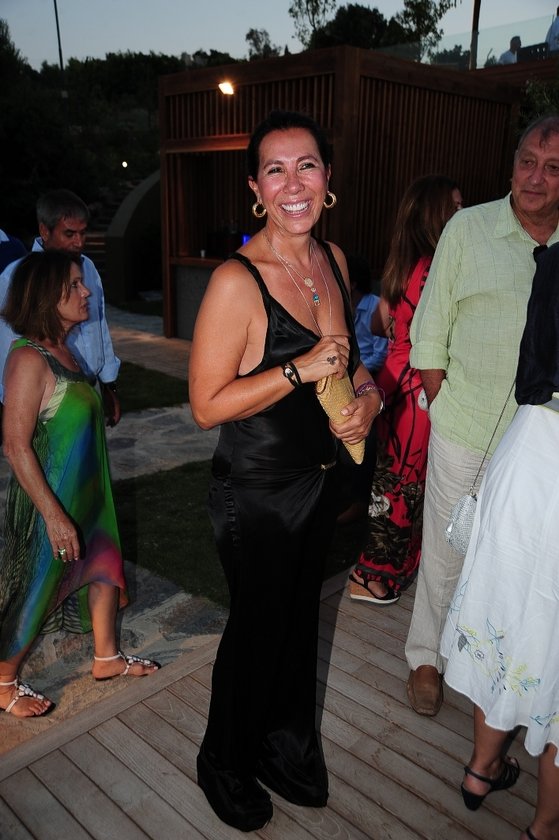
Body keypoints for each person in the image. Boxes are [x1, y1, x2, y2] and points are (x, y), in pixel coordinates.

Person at [188, 109, 382, 832]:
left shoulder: (332, 259)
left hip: (317, 481)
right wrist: (297, 370)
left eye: (306, 166)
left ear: (328, 178)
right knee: (257, 634)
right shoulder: (236, 282)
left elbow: (350, 365)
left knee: (298, 624)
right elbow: (205, 405)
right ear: (255, 188)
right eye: (276, 169)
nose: (293, 183)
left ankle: (283, 746)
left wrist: (367, 400)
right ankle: (224, 760)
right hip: (257, 493)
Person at [405, 114, 559, 719]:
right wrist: (443, 404)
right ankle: (426, 658)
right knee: (447, 552)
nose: (535, 178)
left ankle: (495, 668)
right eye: (527, 162)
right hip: (466, 426)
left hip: (542, 440)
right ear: (512, 164)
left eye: (553, 169)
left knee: (519, 561)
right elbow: (429, 330)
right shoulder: (468, 229)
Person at [0, 251, 158, 718]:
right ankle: (3, 682)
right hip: (52, 500)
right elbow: (15, 446)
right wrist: (53, 516)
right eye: (74, 284)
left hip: (89, 494)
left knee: (105, 568)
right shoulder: (29, 359)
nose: (86, 291)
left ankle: (106, 658)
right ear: (47, 296)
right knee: (35, 588)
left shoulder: (66, 350)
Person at [440, 241, 559, 840]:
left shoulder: (555, 261)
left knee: (511, 619)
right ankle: (546, 822)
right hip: (541, 457)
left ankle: (481, 770)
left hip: (531, 447)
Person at [349, 175, 462, 604]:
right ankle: (370, 575)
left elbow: (377, 323)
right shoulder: (434, 266)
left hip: (393, 384)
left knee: (392, 482)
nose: (463, 213)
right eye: (455, 206)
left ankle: (383, 569)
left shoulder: (405, 264)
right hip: (416, 389)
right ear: (436, 214)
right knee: (403, 485)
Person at [0, 190, 121, 427]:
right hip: (47, 401)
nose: (79, 242)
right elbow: (7, 347)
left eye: (83, 233)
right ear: (45, 231)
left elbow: (99, 324)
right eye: (69, 233)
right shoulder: (17, 277)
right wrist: (11, 407)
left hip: (88, 390)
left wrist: (109, 383)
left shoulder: (88, 267)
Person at [336, 253, 388, 525]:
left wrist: (355, 372)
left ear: (352, 282)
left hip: (372, 380)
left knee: (365, 441)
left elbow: (382, 353)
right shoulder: (341, 306)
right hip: (347, 374)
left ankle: (360, 501)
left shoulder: (375, 305)